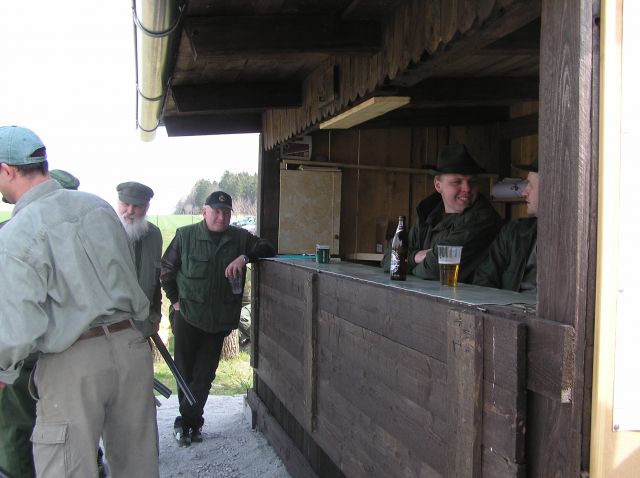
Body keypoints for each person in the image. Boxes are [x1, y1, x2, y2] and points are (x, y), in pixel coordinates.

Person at [0, 125, 159, 477]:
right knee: (138, 467)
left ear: (7, 170)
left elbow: (17, 327)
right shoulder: (98, 207)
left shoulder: (17, 233)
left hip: (72, 363)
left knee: (67, 468)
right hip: (131, 349)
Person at [160, 190, 275, 447]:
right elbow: (166, 268)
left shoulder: (240, 238)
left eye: (226, 212)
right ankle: (191, 423)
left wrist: (245, 257)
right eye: (216, 211)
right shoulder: (185, 236)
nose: (221, 217)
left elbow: (267, 248)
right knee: (184, 372)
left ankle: (186, 422)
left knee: (204, 375)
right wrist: (175, 301)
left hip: (218, 320)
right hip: (187, 317)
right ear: (204, 212)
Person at [0, 167, 80, 478]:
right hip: (24, 355)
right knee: (18, 428)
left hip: (60, 354)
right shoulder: (13, 233)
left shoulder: (74, 238)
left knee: (62, 430)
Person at [383, 143, 503, 283]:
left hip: (467, 296)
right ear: (438, 185)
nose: (467, 188)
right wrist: (416, 256)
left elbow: (434, 270)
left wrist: (408, 263)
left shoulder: (482, 219)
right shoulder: (427, 214)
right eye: (457, 182)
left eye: (472, 181)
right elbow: (388, 259)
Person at [473, 159, 539, 291]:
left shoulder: (575, 242)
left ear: (552, 189)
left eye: (530, 185)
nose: (524, 192)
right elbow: (483, 280)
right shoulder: (514, 232)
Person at [116, 181, 163, 338]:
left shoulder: (154, 235)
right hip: (111, 326)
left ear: (147, 208)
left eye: (137, 206)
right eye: (125, 204)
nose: (130, 211)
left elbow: (156, 278)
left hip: (143, 323)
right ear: (118, 203)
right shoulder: (104, 232)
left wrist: (156, 316)